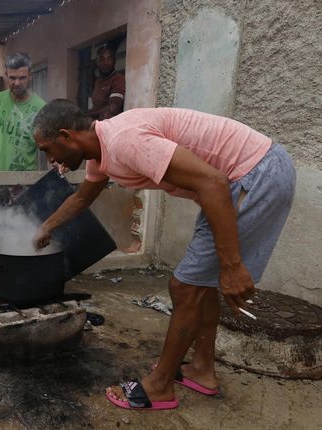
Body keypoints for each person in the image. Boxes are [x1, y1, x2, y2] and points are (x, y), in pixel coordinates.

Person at [31, 99, 295, 411]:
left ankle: (159, 386)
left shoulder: (124, 141)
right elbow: (82, 198)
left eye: (47, 149)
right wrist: (46, 227)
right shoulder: (102, 154)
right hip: (244, 176)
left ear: (66, 136)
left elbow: (213, 182)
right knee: (200, 285)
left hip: (254, 174)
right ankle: (202, 370)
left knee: (184, 288)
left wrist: (232, 265)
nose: (49, 159)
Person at [0, 52, 46, 210]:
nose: (17, 83)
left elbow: (46, 146)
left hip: (24, 182)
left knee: (22, 228)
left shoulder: (41, 107)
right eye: (12, 77)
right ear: (6, 75)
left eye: (22, 78)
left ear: (30, 75)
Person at [87, 46, 125, 120]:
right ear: (97, 62)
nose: (105, 63)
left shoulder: (117, 78)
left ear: (114, 61)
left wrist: (90, 113)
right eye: (102, 59)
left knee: (106, 115)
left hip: (109, 122)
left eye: (109, 59)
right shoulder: (98, 80)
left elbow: (113, 107)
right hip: (96, 120)